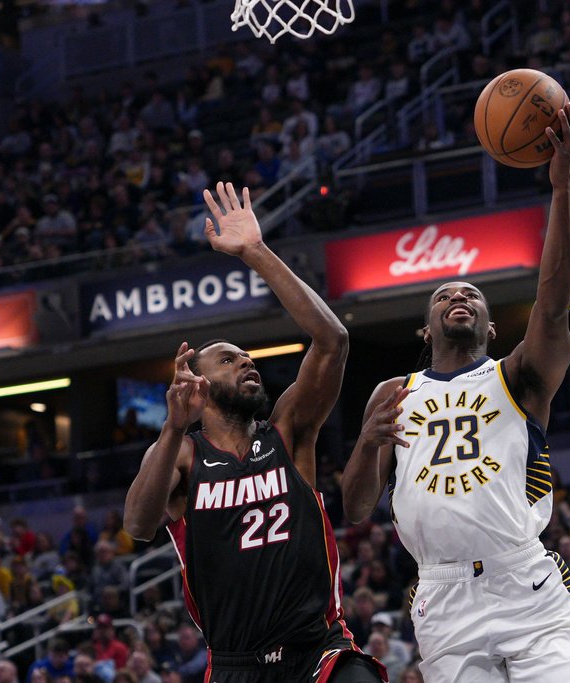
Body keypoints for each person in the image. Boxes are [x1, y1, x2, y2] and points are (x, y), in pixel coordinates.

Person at [340, 103, 570, 683]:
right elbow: (355, 508)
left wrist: (561, 187)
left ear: (492, 325)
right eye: (445, 295)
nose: (460, 296)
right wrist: (365, 443)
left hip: (525, 584)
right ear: (426, 330)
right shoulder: (392, 392)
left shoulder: (518, 375)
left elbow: (554, 300)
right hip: (442, 594)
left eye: (473, 295)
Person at [124, 181, 385, 683]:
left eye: (249, 358)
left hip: (320, 652)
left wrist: (255, 251)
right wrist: (173, 427)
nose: (246, 362)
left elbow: (333, 340)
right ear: (197, 381)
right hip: (236, 663)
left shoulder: (289, 431)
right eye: (229, 359)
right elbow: (137, 524)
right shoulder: (180, 454)